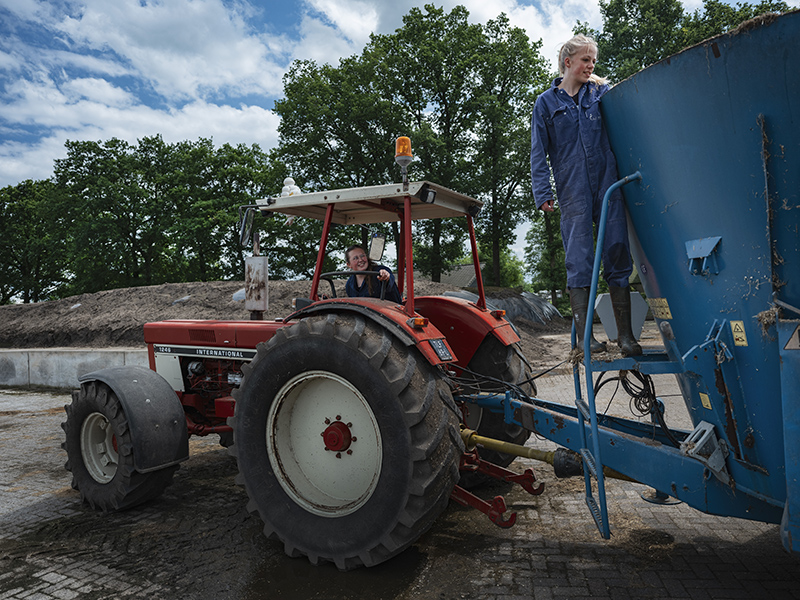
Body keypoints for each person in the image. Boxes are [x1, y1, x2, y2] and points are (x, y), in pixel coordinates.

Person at [530, 34, 641, 357]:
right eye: (586, 60)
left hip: (608, 185)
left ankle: (626, 337)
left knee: (618, 252)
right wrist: (542, 192)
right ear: (568, 62)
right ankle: (584, 339)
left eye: (593, 60)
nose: (591, 65)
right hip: (573, 189)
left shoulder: (603, 95)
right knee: (579, 260)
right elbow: (539, 153)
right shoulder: (546, 104)